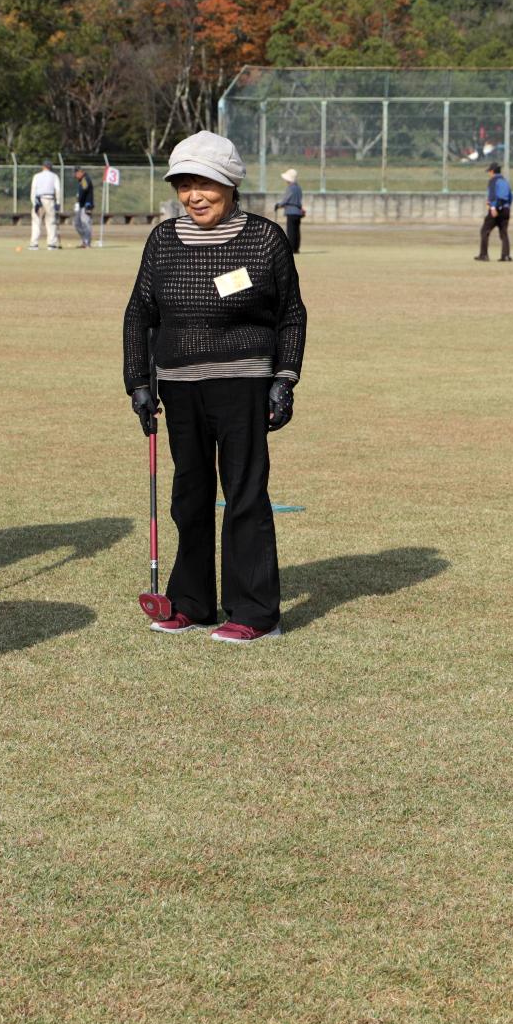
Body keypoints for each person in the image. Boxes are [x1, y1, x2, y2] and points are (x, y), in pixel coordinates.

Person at [121, 130, 306, 643]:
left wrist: (284, 380)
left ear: (229, 185)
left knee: (244, 495)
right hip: (180, 386)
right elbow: (140, 313)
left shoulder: (265, 239)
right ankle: (192, 602)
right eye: (184, 183)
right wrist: (138, 380)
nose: (193, 195)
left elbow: (291, 316)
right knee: (190, 494)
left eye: (204, 183)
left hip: (243, 384)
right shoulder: (162, 239)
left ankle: (255, 611)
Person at [477, 162, 512, 262]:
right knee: (503, 233)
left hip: (496, 209)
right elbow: (510, 196)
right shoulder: (505, 181)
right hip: (506, 209)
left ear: (492, 171)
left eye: (489, 171)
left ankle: (483, 255)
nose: (489, 173)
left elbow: (492, 195)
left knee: (484, 231)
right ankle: (505, 255)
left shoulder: (493, 181)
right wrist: (507, 207)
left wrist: (493, 208)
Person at [29, 160, 61, 250]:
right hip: (49, 200)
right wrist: (58, 202)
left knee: (36, 222)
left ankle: (34, 244)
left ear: (43, 166)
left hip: (38, 200)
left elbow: (33, 190)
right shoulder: (54, 176)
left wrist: (34, 203)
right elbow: (58, 190)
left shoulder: (37, 176)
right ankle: (51, 244)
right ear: (50, 167)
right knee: (51, 222)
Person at [273, 168, 304, 254]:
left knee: (291, 231)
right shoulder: (299, 188)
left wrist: (278, 205)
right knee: (297, 231)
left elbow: (285, 200)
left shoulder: (290, 188)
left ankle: (292, 249)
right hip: (298, 212)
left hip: (291, 212)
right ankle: (296, 248)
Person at [71, 166, 95, 248]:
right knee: (76, 223)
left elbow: (83, 191)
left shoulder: (85, 180)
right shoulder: (81, 180)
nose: (75, 176)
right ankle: (84, 240)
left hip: (86, 205)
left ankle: (87, 242)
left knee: (85, 224)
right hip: (81, 205)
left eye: (76, 174)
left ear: (80, 172)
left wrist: (79, 201)